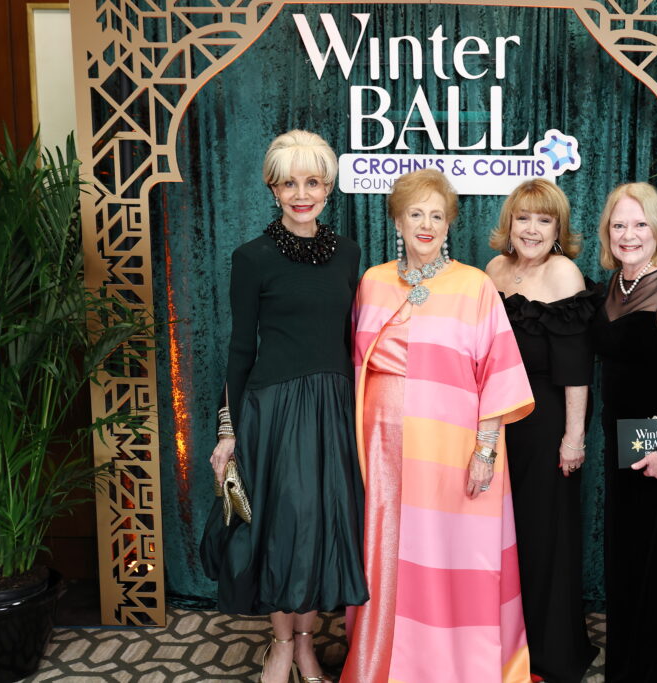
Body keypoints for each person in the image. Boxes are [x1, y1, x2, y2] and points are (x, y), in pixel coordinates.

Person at [340, 169, 535, 683]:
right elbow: (355, 366)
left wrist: (486, 449)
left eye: (436, 215)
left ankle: (455, 664)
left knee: (453, 550)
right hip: (380, 443)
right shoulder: (373, 282)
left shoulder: (474, 285)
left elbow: (500, 373)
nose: (425, 224)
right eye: (414, 214)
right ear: (397, 221)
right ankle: (382, 655)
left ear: (449, 224)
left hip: (451, 444)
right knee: (387, 549)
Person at [200, 130, 369, 683]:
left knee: (320, 528)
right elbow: (240, 349)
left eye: (314, 181)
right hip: (272, 410)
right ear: (273, 188)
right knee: (279, 526)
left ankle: (305, 645)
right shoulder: (250, 258)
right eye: (290, 182)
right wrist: (228, 432)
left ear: (328, 187)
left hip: (333, 410)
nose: (303, 193)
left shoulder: (349, 254)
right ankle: (279, 643)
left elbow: (354, 339)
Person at [484, 179, 599, 683]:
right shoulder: (493, 270)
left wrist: (573, 438)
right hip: (498, 425)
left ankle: (550, 654)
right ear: (509, 223)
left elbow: (577, 370)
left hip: (549, 423)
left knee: (545, 536)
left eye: (544, 219)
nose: (531, 229)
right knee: (503, 539)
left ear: (559, 229)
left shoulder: (564, 274)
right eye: (523, 217)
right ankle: (505, 646)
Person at [590, 182, 657, 682]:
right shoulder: (615, 284)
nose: (629, 234)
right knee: (625, 561)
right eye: (619, 225)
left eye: (639, 224)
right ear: (607, 233)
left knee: (653, 567)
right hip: (620, 442)